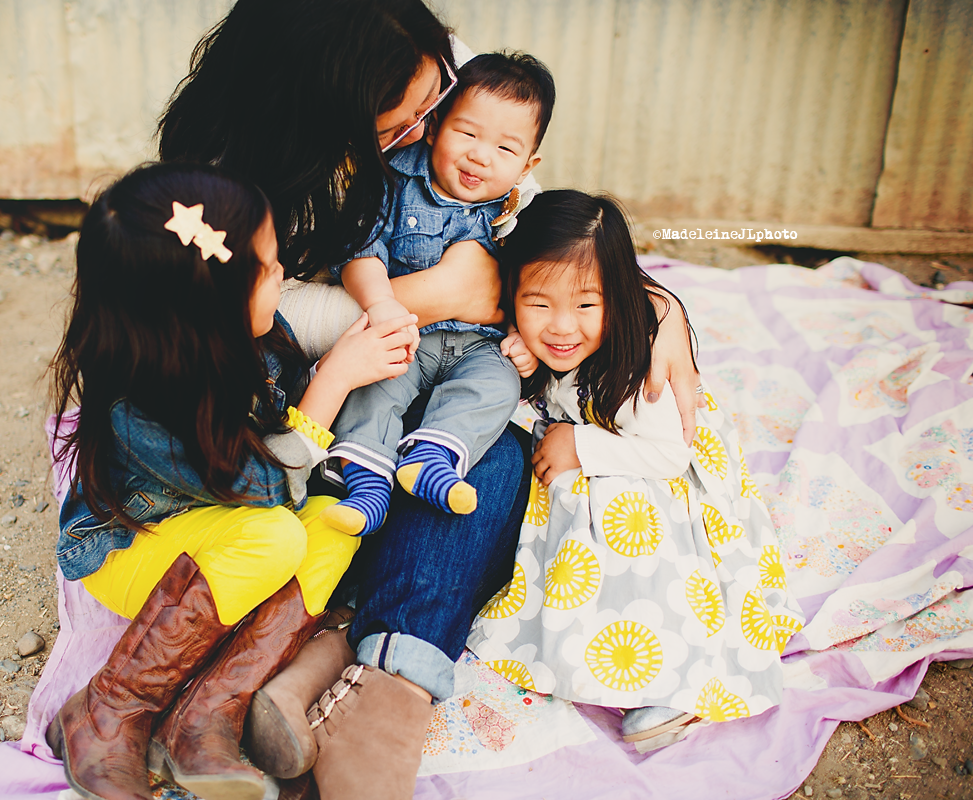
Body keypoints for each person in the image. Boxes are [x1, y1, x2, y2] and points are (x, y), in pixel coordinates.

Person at [155, 1, 701, 796]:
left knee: (493, 456)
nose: (428, 136)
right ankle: (352, 685)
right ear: (316, 120)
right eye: (394, 128)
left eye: (434, 109)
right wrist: (435, 295)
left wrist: (645, 300)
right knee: (393, 468)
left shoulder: (430, 66)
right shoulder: (218, 180)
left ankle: (352, 684)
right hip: (326, 373)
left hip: (450, 367)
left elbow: (525, 210)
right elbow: (253, 320)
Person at [45, 162, 419, 800]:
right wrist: (331, 382)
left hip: (221, 531)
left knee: (335, 526)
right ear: (209, 309)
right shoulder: (144, 409)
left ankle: (208, 710)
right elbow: (264, 487)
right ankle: (110, 706)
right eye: (271, 269)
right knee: (274, 535)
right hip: (136, 549)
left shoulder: (250, 339)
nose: (285, 278)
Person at [466, 190, 803, 748]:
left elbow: (670, 455)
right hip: (611, 442)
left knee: (631, 532)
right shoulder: (551, 343)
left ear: (619, 299)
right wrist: (524, 359)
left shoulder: (638, 371)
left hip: (666, 466)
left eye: (585, 305)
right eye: (538, 304)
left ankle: (672, 682)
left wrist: (580, 445)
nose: (560, 327)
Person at [321, 52, 555, 538]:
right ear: (432, 127)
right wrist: (382, 304)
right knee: (374, 386)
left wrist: (519, 335)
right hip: (412, 334)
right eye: (467, 133)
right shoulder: (393, 181)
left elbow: (533, 282)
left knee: (500, 386)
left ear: (528, 164)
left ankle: (433, 459)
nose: (480, 155)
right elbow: (360, 249)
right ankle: (367, 485)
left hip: (479, 345)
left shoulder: (519, 214)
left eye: (505, 149)